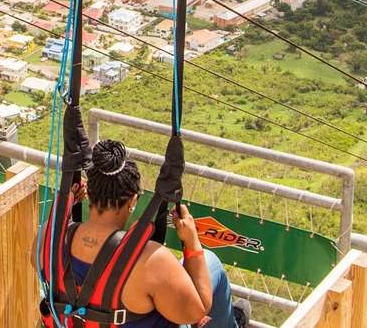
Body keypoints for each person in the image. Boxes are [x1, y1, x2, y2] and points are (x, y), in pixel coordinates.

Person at [62, 139, 242, 328]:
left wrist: (72, 201)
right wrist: (192, 243)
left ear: (88, 192)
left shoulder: (51, 241)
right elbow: (197, 310)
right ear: (132, 201)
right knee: (210, 260)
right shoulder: (150, 260)